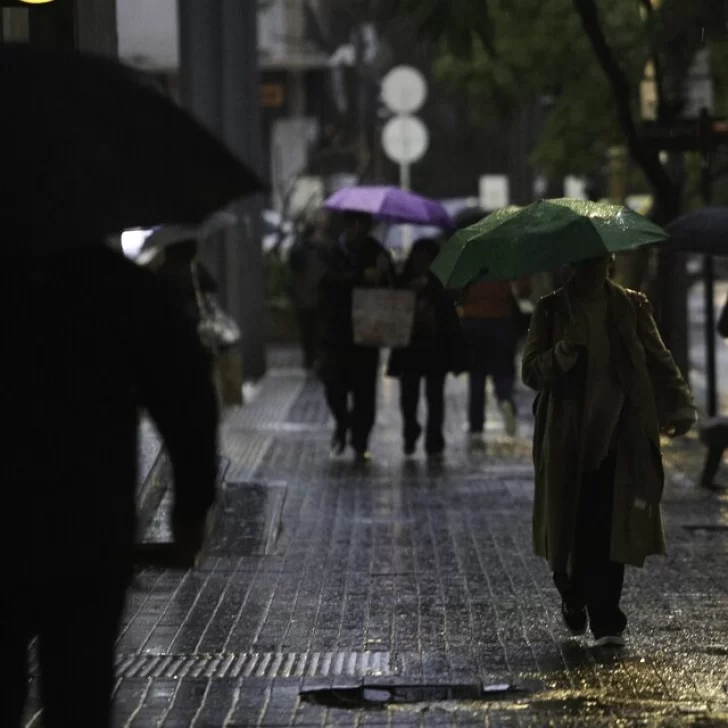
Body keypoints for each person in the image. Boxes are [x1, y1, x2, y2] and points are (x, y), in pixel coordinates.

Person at [1, 244, 219, 727]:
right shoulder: (123, 288)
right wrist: (191, 505)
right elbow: (187, 398)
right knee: (79, 689)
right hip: (87, 519)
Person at [522, 254, 696, 647]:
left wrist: (679, 405)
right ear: (571, 266)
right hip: (567, 439)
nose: (592, 269)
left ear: (609, 262)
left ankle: (607, 619)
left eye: (599, 261)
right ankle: (572, 594)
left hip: (620, 435)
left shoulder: (632, 306)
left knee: (610, 526)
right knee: (570, 528)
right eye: (583, 262)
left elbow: (658, 359)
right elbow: (531, 371)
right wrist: (566, 350)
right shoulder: (551, 310)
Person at [318, 211, 395, 460]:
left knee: (364, 392)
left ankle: (360, 441)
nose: (360, 230)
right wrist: (358, 278)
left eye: (365, 225)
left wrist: (383, 273)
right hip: (337, 331)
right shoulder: (332, 253)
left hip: (367, 332)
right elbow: (325, 284)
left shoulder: (377, 252)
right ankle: (342, 424)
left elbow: (391, 289)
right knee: (334, 387)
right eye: (356, 225)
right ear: (348, 225)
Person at [387, 238, 464, 457]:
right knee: (408, 398)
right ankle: (411, 431)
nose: (422, 263)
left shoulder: (440, 281)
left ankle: (434, 439)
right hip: (409, 349)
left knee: (435, 397)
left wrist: (430, 290)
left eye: (427, 259)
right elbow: (392, 300)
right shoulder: (403, 279)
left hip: (434, 349)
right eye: (419, 258)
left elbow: (449, 311)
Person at [460, 274, 532, 440]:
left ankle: (476, 425)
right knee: (503, 370)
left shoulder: (469, 259)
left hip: (472, 321)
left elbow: (457, 292)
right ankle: (505, 399)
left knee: (476, 376)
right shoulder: (504, 256)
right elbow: (524, 290)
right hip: (501, 320)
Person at [288, 211, 328, 372]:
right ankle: (314, 359)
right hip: (315, 297)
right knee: (315, 331)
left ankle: (310, 359)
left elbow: (293, 273)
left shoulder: (299, 249)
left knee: (308, 331)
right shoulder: (320, 250)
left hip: (305, 297)